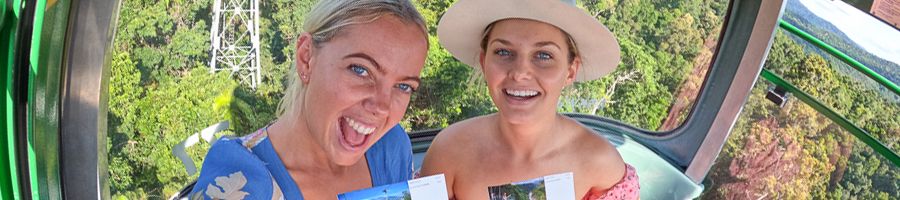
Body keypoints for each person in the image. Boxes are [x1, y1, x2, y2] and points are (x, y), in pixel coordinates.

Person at [188, 0, 429, 199]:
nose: (381, 107)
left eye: (403, 86)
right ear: (306, 57)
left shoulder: (390, 148)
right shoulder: (241, 182)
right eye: (360, 70)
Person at [418, 0, 639, 199]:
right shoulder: (448, 152)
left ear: (571, 71)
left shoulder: (600, 164)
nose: (520, 72)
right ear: (484, 61)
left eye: (544, 55)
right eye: (503, 52)